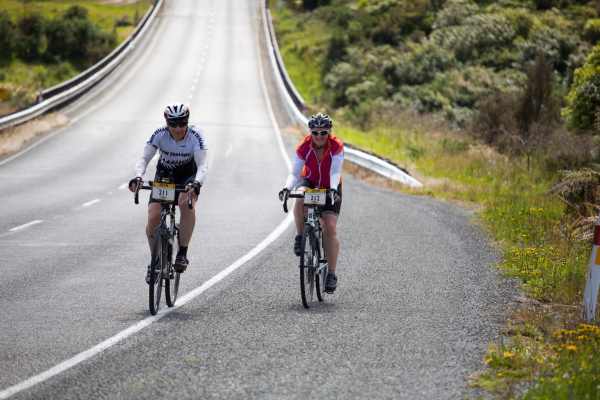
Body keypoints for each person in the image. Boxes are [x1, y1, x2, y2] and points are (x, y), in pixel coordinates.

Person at [129, 103, 207, 282]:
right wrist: (138, 176)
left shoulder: (195, 136)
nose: (178, 128)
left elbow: (203, 164)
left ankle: (182, 253)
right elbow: (144, 158)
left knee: (184, 204)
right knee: (153, 216)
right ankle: (155, 261)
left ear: (187, 122)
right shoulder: (159, 134)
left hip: (188, 175)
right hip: (165, 174)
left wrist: (196, 183)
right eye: (174, 124)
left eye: (182, 123)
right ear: (167, 123)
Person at [279, 113, 344, 293]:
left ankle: (331, 273)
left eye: (324, 133)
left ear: (329, 132)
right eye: (315, 133)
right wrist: (286, 188)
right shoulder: (304, 147)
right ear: (311, 132)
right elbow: (294, 173)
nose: (319, 136)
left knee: (330, 227)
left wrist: (331, 190)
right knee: (299, 196)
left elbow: (335, 172)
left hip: (330, 185)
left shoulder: (336, 146)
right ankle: (301, 236)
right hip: (309, 182)